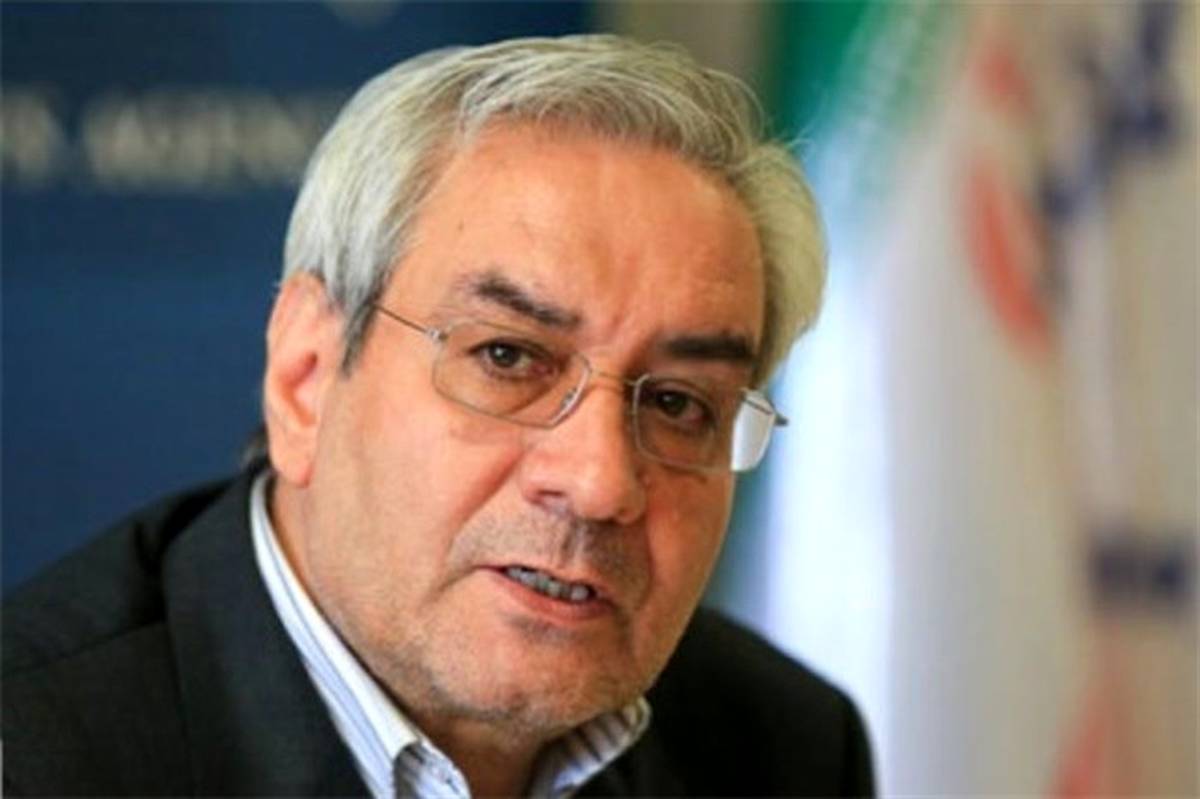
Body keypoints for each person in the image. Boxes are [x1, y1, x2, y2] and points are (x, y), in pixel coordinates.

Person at [3, 35, 873, 797]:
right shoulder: (34, 757)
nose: (600, 481)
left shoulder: (783, 749)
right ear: (307, 378)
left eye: (680, 403)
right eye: (508, 358)